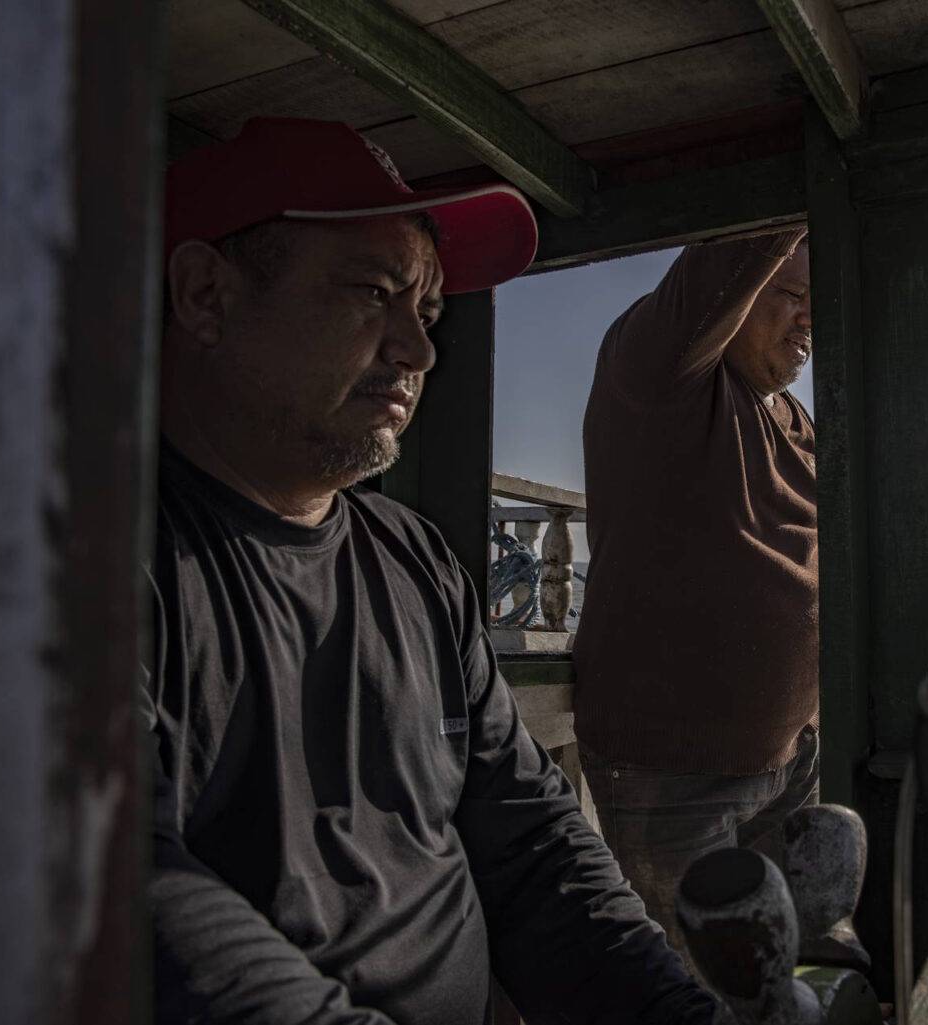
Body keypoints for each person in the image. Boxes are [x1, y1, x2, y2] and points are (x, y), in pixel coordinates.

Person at [144, 117, 716, 1025]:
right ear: (206, 295)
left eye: (429, 312)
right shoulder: (74, 563)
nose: (418, 350)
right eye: (375, 293)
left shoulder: (414, 560)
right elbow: (121, 893)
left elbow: (533, 845)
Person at [572, 229, 819, 954]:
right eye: (791, 294)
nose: (810, 317)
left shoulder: (793, 417)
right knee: (698, 980)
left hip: (790, 755)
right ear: (737, 298)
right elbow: (737, 246)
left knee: (779, 969)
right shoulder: (658, 370)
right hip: (675, 773)